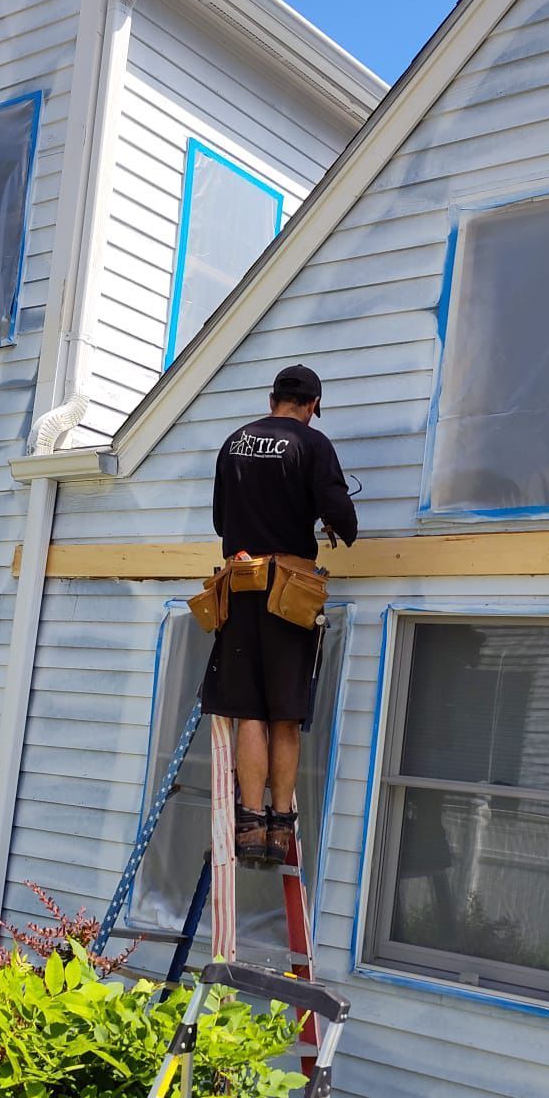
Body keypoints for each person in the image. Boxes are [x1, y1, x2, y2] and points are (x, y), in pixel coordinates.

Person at [202, 363, 358, 866]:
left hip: (240, 583)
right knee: (285, 713)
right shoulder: (313, 445)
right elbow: (343, 520)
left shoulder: (234, 442)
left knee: (249, 709)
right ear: (313, 405)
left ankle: (248, 824)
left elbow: (222, 519)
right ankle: (280, 828)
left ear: (272, 400)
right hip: (288, 591)